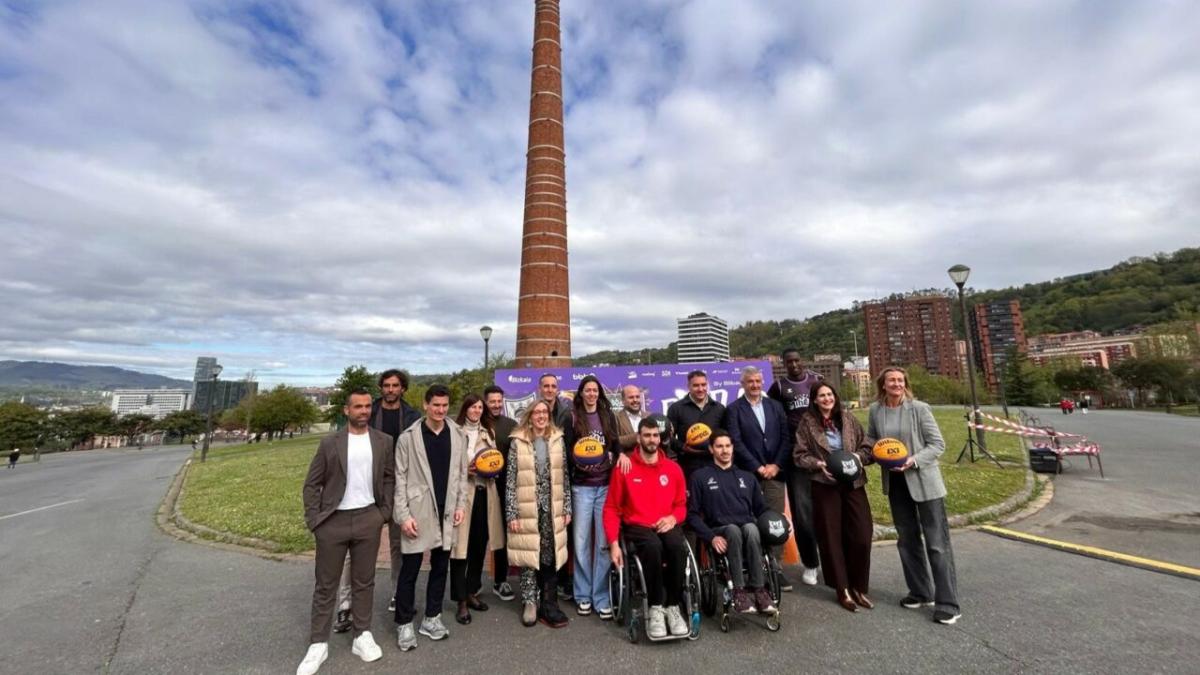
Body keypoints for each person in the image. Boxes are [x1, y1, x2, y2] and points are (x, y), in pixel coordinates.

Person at [297, 389, 395, 675]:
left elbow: (388, 477)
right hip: (333, 521)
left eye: (367, 406)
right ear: (346, 410)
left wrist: (383, 513)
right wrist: (315, 520)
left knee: (364, 581)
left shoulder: (383, 441)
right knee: (326, 585)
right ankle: (318, 643)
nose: (364, 411)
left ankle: (362, 634)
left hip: (368, 518)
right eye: (358, 406)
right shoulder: (330, 443)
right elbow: (311, 484)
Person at [867, 366, 961, 625]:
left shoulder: (919, 408)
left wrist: (914, 460)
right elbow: (872, 440)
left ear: (905, 384)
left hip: (924, 482)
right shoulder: (876, 410)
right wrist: (866, 454)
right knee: (907, 541)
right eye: (892, 380)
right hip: (896, 483)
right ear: (883, 385)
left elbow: (937, 445)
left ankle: (948, 603)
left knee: (937, 544)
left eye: (900, 380)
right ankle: (920, 592)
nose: (896, 384)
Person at [334, 369, 423, 633]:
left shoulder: (412, 416)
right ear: (381, 388)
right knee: (354, 549)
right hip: (367, 487)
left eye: (395, 385)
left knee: (399, 545)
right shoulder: (367, 412)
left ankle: (398, 594)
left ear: (403, 388)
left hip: (399, 487)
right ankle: (346, 604)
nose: (391, 389)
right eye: (386, 385)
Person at [392, 385, 470, 651]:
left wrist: (460, 505)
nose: (440, 410)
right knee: (410, 569)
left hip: (447, 510)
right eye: (436, 405)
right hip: (418, 510)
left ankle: (432, 617)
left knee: (440, 567)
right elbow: (400, 479)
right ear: (426, 405)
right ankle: (404, 622)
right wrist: (403, 515)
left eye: (445, 405)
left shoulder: (457, 435)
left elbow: (462, 475)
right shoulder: (408, 438)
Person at [604, 418, 690, 639]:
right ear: (638, 438)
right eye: (647, 435)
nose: (652, 440)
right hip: (638, 526)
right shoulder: (624, 468)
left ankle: (673, 607)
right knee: (652, 547)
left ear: (660, 438)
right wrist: (613, 543)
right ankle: (655, 607)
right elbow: (612, 508)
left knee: (677, 546)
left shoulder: (673, 469)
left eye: (655, 435)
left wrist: (673, 517)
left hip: (666, 523)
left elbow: (681, 505)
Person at [793, 382, 874, 613]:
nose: (827, 398)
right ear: (815, 400)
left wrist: (857, 458)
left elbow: (867, 448)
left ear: (835, 397)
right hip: (825, 484)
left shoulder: (848, 419)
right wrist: (819, 464)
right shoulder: (807, 422)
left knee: (862, 534)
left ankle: (858, 586)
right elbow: (799, 455)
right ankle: (842, 588)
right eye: (822, 395)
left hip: (853, 482)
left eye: (830, 394)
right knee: (830, 536)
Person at [726, 365, 805, 590]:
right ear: (742, 384)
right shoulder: (734, 409)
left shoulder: (775, 406)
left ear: (762, 383)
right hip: (747, 474)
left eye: (758, 381)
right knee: (749, 521)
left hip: (775, 474)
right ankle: (754, 568)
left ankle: (775, 568)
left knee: (774, 521)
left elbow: (786, 438)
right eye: (750, 381)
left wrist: (776, 465)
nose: (755, 385)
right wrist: (758, 467)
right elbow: (735, 441)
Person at [686, 430, 775, 615]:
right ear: (711, 449)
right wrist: (711, 538)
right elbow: (692, 515)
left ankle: (759, 590)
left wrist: (778, 522)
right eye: (719, 446)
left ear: (733, 448)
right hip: (719, 530)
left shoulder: (747, 477)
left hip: (747, 530)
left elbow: (762, 510)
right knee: (734, 530)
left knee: (751, 528)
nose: (724, 450)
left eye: (728, 446)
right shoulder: (700, 477)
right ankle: (739, 592)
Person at [505, 399, 572, 628]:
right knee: (528, 555)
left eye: (545, 412)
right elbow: (511, 480)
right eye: (537, 412)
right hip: (527, 507)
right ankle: (529, 601)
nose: (541, 416)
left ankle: (548, 600)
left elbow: (564, 476)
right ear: (530, 416)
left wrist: (567, 507)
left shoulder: (557, 439)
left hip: (552, 507)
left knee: (549, 555)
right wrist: (512, 513)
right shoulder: (518, 441)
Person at [562, 375, 625, 620]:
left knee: (603, 543)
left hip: (604, 486)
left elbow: (615, 443)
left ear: (599, 393)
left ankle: (601, 596)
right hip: (582, 487)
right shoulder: (571, 417)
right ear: (581, 393)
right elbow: (567, 450)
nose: (591, 394)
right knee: (581, 543)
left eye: (595, 390)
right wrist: (579, 463)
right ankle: (583, 595)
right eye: (587, 390)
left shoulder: (607, 416)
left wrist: (621, 455)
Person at [765, 349, 824, 588]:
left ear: (803, 360)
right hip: (795, 456)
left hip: (821, 452)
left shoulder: (816, 380)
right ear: (784, 363)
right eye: (789, 361)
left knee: (827, 510)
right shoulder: (779, 387)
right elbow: (773, 418)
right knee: (802, 513)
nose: (794, 364)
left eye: (797, 360)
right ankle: (810, 563)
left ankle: (833, 561)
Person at [449, 395, 505, 625]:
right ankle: (460, 600)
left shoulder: (488, 432)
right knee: (459, 549)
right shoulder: (454, 431)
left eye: (480, 407)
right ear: (465, 408)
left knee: (478, 547)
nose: (476, 410)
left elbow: (494, 459)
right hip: (462, 497)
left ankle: (472, 591)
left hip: (484, 494)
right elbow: (449, 465)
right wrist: (466, 471)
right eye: (473, 407)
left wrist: (493, 468)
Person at [483, 385, 517, 601]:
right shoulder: (478, 423)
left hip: (504, 487)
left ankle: (500, 580)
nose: (496, 405)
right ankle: (473, 583)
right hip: (480, 486)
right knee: (478, 536)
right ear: (485, 402)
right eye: (492, 401)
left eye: (498, 401)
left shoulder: (511, 425)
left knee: (502, 536)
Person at [666, 370, 727, 480]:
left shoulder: (719, 408)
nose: (700, 389)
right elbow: (668, 437)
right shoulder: (676, 408)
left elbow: (726, 436)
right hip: (688, 466)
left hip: (714, 465)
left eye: (703, 385)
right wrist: (683, 447)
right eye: (696, 385)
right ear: (688, 387)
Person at [615, 384, 646, 452]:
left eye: (637, 397)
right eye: (631, 397)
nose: (635, 400)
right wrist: (640, 435)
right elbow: (614, 441)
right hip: (627, 458)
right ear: (623, 400)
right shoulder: (615, 418)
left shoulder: (649, 417)